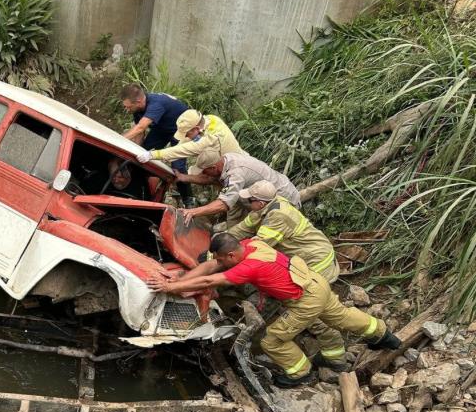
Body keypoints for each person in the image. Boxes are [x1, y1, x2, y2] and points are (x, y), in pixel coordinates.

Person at [146, 233, 400, 387]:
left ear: (232, 255)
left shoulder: (248, 267)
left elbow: (209, 281)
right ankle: (383, 334)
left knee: (272, 340)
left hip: (304, 300)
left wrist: (171, 286)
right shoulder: (251, 245)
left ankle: (300, 372)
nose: (220, 263)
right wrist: (183, 278)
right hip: (314, 283)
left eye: (223, 259)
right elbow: (211, 269)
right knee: (342, 316)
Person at [227, 180, 346, 370]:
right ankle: (332, 353)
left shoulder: (277, 216)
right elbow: (241, 229)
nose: (247, 203)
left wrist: (218, 259)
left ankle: (335, 358)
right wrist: (220, 240)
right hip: (305, 262)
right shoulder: (266, 207)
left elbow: (257, 249)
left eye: (250, 200)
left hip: (316, 265)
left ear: (260, 202)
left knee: (312, 312)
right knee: (311, 308)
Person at [178, 151, 300, 227]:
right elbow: (211, 179)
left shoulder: (235, 174)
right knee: (235, 225)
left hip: (281, 198)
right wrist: (183, 177)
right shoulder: (225, 160)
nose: (202, 175)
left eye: (204, 172)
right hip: (254, 195)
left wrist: (193, 212)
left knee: (269, 233)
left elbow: (223, 204)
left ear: (214, 168)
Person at [120, 83, 194, 206]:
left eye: (128, 107)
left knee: (177, 165)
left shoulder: (156, 104)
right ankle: (141, 189)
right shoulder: (137, 108)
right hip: (162, 129)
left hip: (182, 130)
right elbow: (140, 132)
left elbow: (140, 127)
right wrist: (138, 150)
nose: (126, 110)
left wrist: (119, 140)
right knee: (140, 155)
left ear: (138, 101)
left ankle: (188, 199)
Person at [134, 109, 241, 169]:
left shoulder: (213, 136)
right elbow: (183, 144)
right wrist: (165, 156)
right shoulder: (209, 119)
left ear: (196, 128)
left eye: (186, 134)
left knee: (203, 160)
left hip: (237, 166)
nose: (186, 137)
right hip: (223, 159)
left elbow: (185, 149)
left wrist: (153, 155)